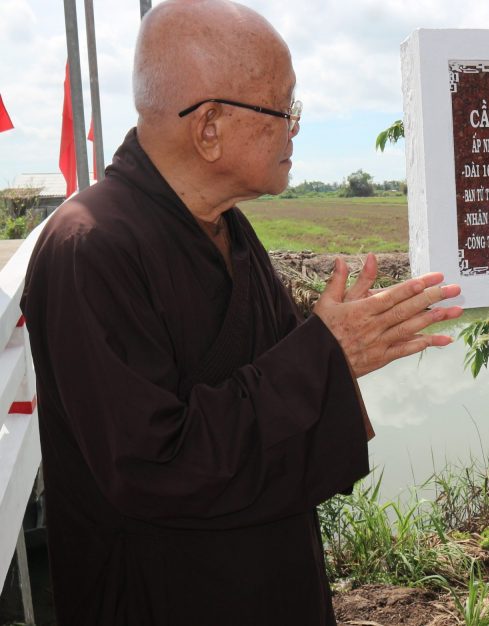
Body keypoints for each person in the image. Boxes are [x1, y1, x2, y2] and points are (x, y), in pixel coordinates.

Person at [20, 1, 462, 624]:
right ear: (208, 128)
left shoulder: (225, 225)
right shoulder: (90, 249)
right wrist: (323, 356)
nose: (295, 128)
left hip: (269, 574)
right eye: (284, 108)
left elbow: (275, 374)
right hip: (165, 594)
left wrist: (338, 351)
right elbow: (153, 465)